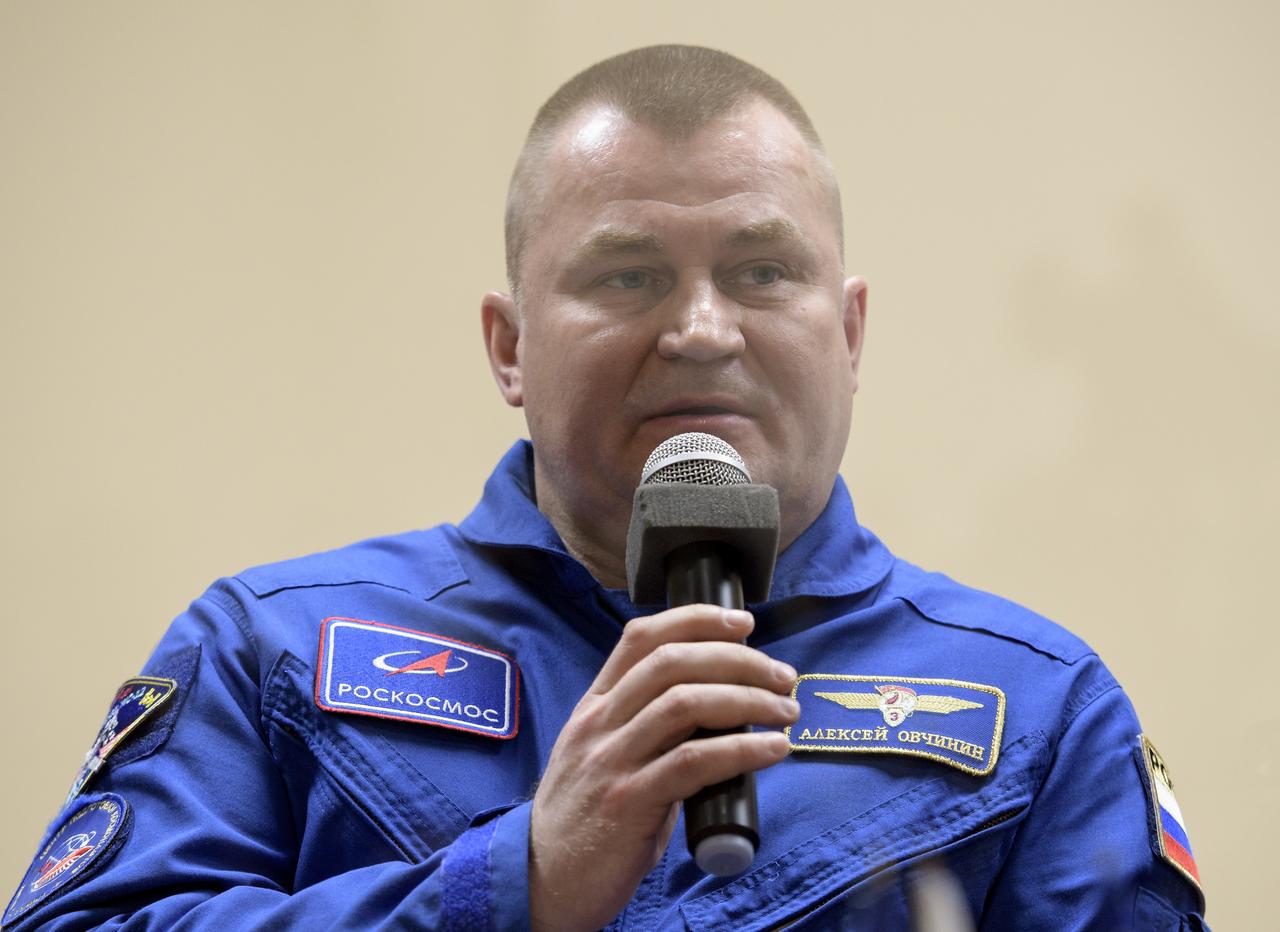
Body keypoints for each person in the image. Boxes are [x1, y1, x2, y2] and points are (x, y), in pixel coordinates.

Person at [4, 45, 1207, 931]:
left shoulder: (1037, 714)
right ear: (508, 345)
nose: (698, 330)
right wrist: (513, 884)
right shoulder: (272, 648)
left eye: (760, 269)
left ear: (848, 333)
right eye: (627, 275)